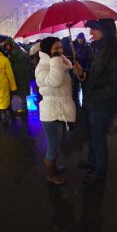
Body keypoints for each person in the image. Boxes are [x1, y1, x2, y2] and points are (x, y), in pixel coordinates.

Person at [73, 18, 117, 184]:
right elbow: (99, 75)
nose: (90, 33)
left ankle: (100, 172)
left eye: (94, 29)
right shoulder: (102, 48)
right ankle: (93, 162)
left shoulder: (116, 52)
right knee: (91, 136)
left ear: (105, 31)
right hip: (93, 102)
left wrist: (95, 95)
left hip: (102, 105)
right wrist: (83, 74)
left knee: (98, 139)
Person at [35, 37, 76, 185]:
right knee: (52, 147)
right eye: (56, 48)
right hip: (51, 113)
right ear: (47, 50)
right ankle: (50, 175)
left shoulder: (58, 64)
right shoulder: (41, 68)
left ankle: (54, 168)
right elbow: (55, 81)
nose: (60, 51)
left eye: (60, 48)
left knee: (57, 144)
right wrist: (57, 60)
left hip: (60, 110)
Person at [3, 37, 31, 116]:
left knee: (21, 92)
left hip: (20, 75)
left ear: (11, 44)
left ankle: (23, 109)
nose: (7, 47)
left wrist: (10, 56)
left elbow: (14, 60)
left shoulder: (16, 52)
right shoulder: (15, 51)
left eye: (7, 45)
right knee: (20, 92)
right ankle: (23, 108)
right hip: (19, 75)